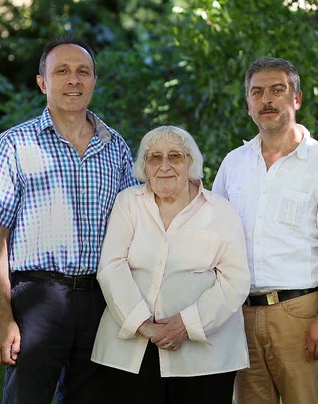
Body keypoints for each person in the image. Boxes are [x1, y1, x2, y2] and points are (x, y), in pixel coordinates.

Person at [0, 35, 138, 403]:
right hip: (36, 300)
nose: (73, 80)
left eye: (83, 71)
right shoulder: (15, 144)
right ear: (43, 82)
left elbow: (139, 223)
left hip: (100, 300)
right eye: (61, 71)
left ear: (94, 80)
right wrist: (3, 318)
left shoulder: (117, 147)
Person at [212, 57, 318, 404]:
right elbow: (211, 234)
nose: (267, 100)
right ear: (248, 104)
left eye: (278, 90)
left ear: (297, 99)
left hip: (299, 315)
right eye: (256, 92)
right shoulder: (234, 164)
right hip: (241, 316)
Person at [91, 125, 250, 404]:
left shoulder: (220, 210)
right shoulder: (128, 203)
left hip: (205, 356)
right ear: (144, 166)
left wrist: (186, 324)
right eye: (154, 158)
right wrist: (144, 325)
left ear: (191, 163)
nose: (164, 166)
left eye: (175, 156)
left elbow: (234, 280)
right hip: (132, 350)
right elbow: (111, 266)